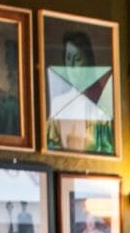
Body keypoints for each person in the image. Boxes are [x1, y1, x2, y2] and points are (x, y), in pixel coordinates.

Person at [46, 27, 114, 155]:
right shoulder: (58, 103)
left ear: (88, 62)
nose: (71, 66)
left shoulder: (101, 106)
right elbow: (51, 147)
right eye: (68, 58)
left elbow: (107, 149)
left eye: (77, 60)